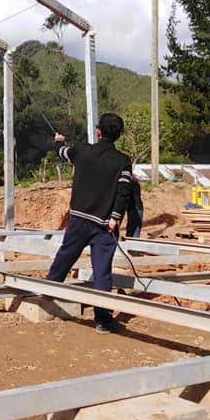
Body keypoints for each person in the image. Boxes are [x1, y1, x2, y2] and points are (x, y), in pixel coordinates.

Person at [46, 112, 133, 333]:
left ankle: (47, 291)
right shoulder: (122, 161)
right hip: (104, 225)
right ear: (119, 135)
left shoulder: (82, 151)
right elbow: (123, 192)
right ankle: (103, 320)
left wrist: (59, 141)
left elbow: (62, 152)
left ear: (98, 131)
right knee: (102, 271)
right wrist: (115, 217)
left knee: (65, 256)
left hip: (78, 219)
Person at [125, 173, 144, 238]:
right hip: (137, 208)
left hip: (134, 208)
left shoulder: (130, 184)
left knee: (132, 231)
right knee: (135, 230)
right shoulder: (135, 183)